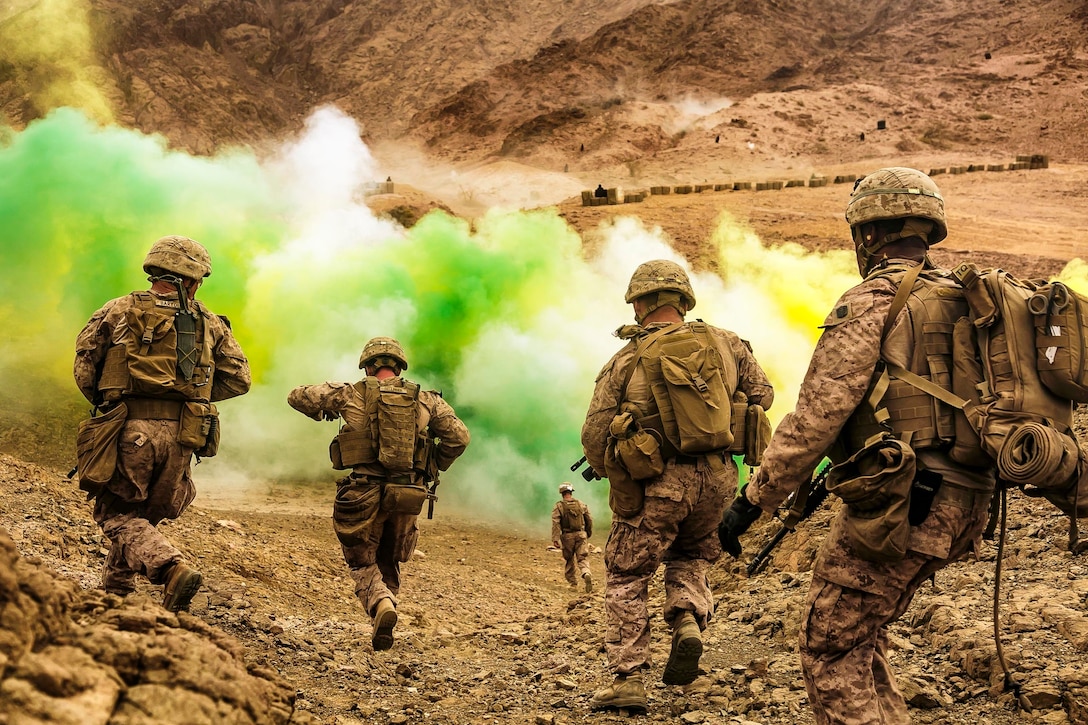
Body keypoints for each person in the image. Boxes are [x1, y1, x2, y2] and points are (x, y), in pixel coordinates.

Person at [719, 167, 998, 724]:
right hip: (971, 502)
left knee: (827, 639)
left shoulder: (873, 302)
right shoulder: (967, 299)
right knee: (859, 632)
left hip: (907, 504)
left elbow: (817, 417)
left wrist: (753, 500)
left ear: (869, 235)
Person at [581, 260, 775, 711]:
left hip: (660, 483)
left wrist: (620, 462)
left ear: (642, 303)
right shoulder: (728, 343)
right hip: (719, 478)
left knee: (628, 573)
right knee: (690, 555)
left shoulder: (627, 358)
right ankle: (686, 617)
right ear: (683, 302)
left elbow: (594, 434)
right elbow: (763, 394)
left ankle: (629, 677)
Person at [74, 235, 251, 612]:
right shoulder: (210, 322)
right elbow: (239, 379)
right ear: (191, 280)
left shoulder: (118, 309)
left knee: (116, 515)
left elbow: (85, 364)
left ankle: (170, 568)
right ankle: (115, 594)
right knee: (143, 519)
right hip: (184, 434)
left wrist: (111, 401)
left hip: (130, 429)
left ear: (156, 270)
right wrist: (190, 395)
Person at [288, 336, 470, 651]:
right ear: (399, 366)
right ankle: (385, 615)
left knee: (360, 560)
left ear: (369, 366)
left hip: (364, 492)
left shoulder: (349, 393)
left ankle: (380, 603)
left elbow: (298, 397)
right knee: (390, 559)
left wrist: (324, 411)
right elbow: (459, 437)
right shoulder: (426, 399)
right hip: (407, 493)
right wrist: (434, 465)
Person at [551, 482, 594, 592]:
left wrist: (555, 539)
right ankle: (586, 573)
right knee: (582, 557)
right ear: (571, 492)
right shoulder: (580, 504)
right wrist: (588, 532)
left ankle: (573, 584)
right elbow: (589, 518)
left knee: (569, 559)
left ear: (562, 493)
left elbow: (556, 523)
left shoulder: (559, 506)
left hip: (567, 536)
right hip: (581, 534)